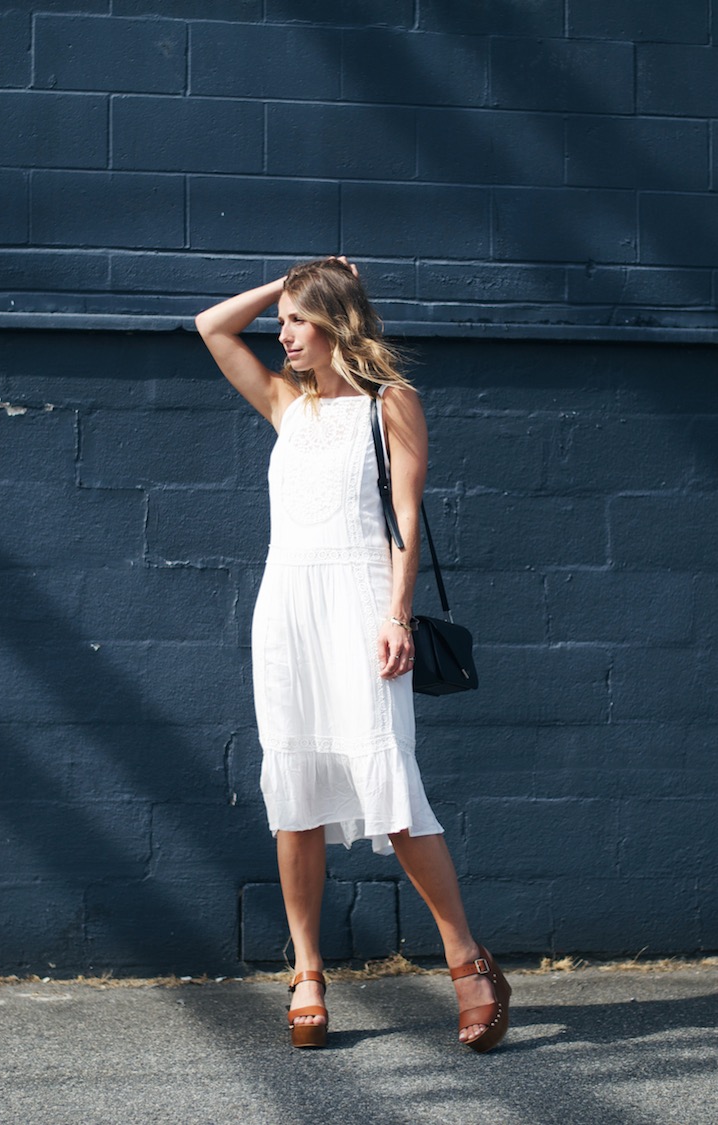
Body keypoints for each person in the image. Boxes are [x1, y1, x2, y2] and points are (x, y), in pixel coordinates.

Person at [195, 257, 510, 1052]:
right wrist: (289, 279)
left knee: (392, 791)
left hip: (363, 608)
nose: (283, 333)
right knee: (296, 791)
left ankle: (469, 963)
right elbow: (211, 326)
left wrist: (397, 613)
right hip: (287, 612)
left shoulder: (390, 403)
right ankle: (306, 972)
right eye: (283, 321)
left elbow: (405, 514)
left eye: (299, 319)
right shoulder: (283, 402)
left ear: (337, 319)